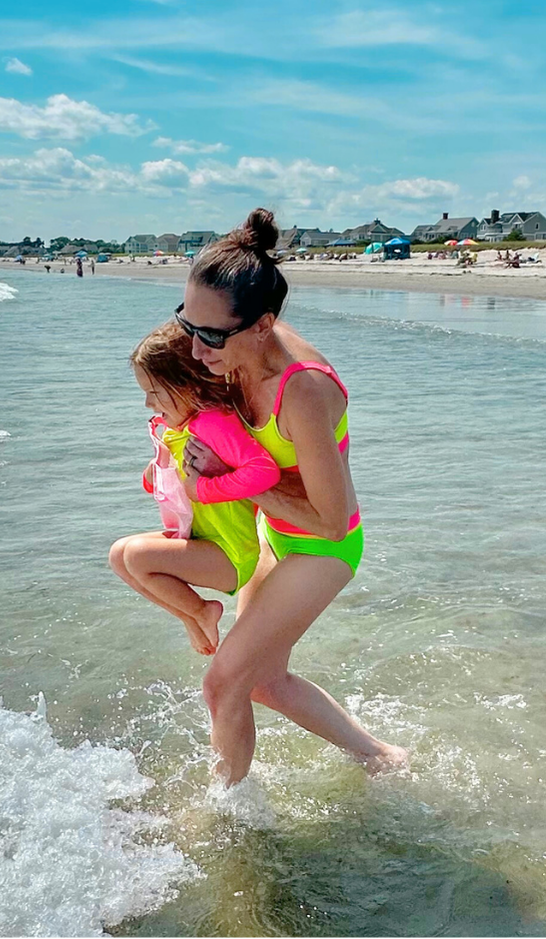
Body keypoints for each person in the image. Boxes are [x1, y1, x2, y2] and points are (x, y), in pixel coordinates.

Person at [172, 208, 408, 785]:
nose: (197, 350)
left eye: (209, 336)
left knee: (223, 681)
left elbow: (332, 522)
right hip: (276, 535)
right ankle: (380, 757)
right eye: (186, 324)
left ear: (262, 324)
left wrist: (237, 475)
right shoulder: (234, 351)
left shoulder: (303, 390)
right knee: (259, 680)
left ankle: (228, 815)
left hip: (325, 546)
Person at [110, 323, 281, 657]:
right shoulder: (183, 427)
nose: (147, 403)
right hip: (204, 541)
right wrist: (157, 466)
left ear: (186, 385)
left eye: (154, 392)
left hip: (231, 553)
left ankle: (203, 610)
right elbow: (162, 484)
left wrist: (203, 489)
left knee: (136, 556)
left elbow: (264, 472)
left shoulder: (214, 423)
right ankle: (191, 616)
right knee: (119, 556)